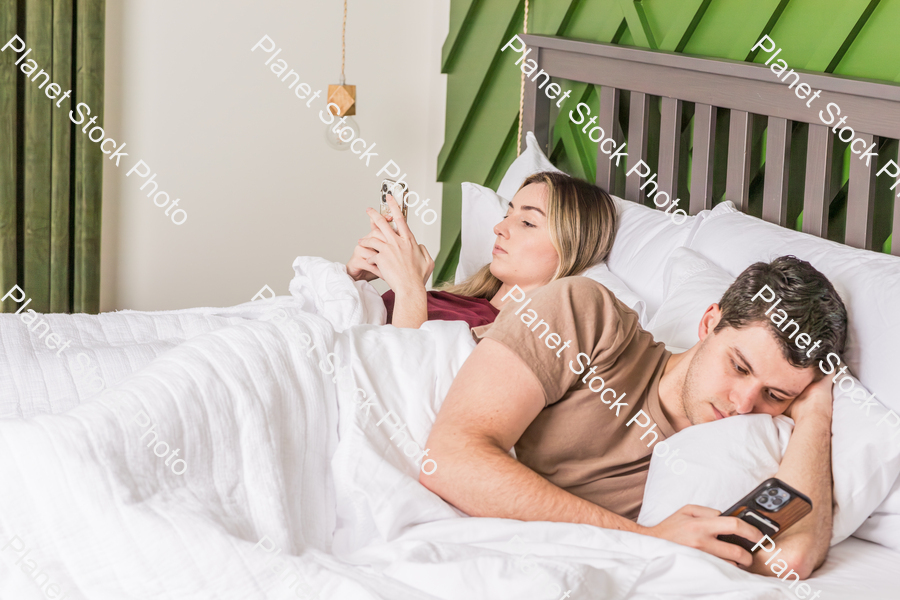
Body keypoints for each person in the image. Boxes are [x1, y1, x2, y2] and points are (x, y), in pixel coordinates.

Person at [420, 255, 847, 580]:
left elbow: (792, 558)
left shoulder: (742, 451)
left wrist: (815, 413)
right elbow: (448, 460)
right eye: (738, 366)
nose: (743, 404)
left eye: (773, 394)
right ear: (710, 322)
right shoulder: (590, 315)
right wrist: (646, 539)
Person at [345, 171, 617, 329]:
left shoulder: (507, 337)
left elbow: (403, 381)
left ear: (572, 250)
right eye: (506, 214)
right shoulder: (455, 301)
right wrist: (353, 279)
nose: (499, 227)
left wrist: (409, 289)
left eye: (527, 222)